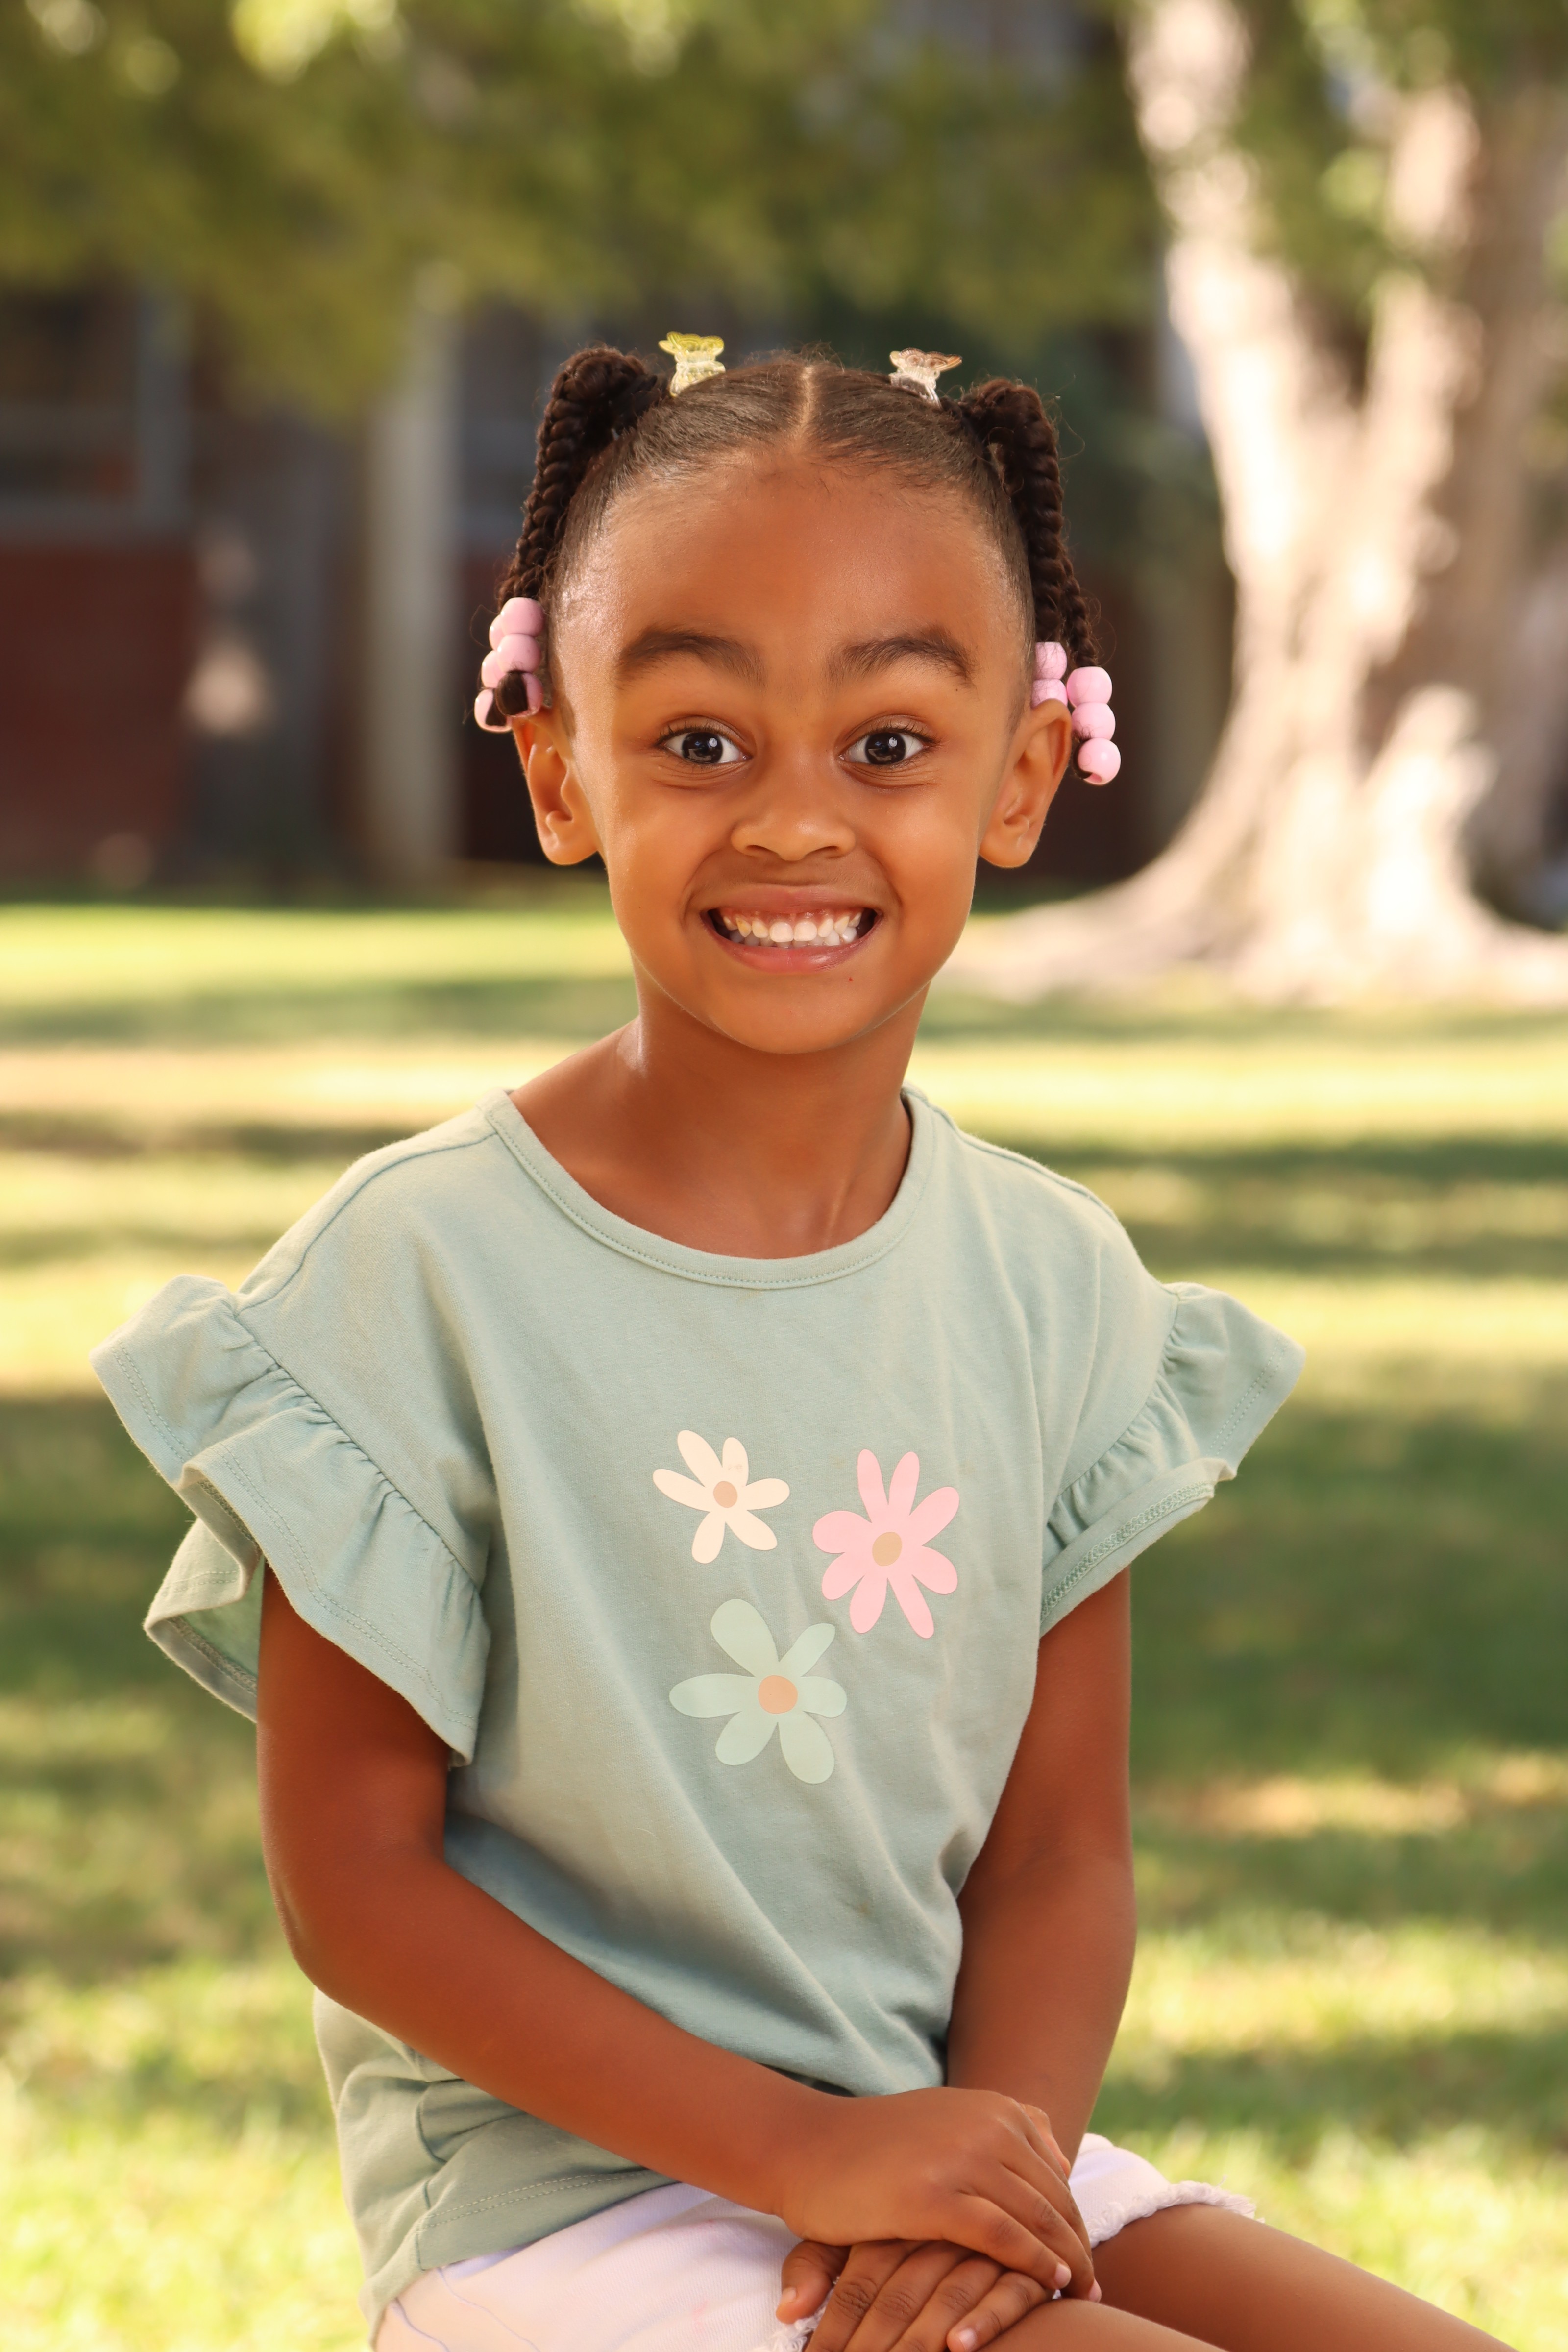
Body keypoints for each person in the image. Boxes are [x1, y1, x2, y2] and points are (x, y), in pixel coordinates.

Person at [93, 343, 1512, 2352]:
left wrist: (974, 2188)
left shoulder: (1049, 1281)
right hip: (569, 2218)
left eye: (887, 743)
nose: (789, 821)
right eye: (697, 740)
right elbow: (359, 1887)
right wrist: (801, 2157)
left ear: (1019, 775)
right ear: (558, 770)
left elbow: (1055, 1854)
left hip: (931, 2148)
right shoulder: (414, 1279)